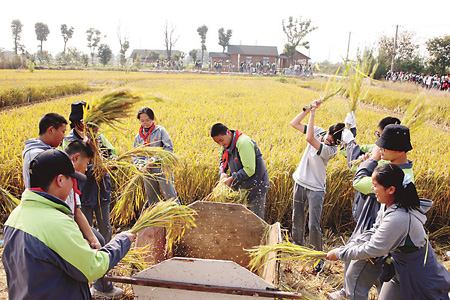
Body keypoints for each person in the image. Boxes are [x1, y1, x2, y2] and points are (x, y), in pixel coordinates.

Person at [2, 148, 136, 300]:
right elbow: (92, 267)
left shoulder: (15, 217)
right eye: (71, 179)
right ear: (59, 180)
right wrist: (121, 241)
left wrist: (80, 245)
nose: (74, 185)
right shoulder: (56, 222)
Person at [326, 163, 450, 299]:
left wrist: (339, 253)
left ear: (391, 189)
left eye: (375, 185)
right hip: (399, 267)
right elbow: (375, 230)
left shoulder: (398, 218)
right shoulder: (387, 205)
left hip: (417, 273)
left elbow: (374, 249)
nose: (372, 189)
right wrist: (351, 245)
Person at [330, 124, 414, 300]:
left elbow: (359, 181)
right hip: (379, 235)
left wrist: (373, 159)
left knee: (355, 277)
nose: (379, 148)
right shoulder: (394, 168)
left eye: (384, 146)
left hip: (384, 242)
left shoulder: (397, 178)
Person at [289, 99, 344, 273]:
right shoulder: (319, 131)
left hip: (316, 189)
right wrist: (308, 108)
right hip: (300, 181)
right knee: (297, 218)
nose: (329, 143)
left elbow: (309, 138)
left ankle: (317, 258)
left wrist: (313, 113)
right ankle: (297, 249)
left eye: (334, 142)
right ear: (327, 131)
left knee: (314, 225)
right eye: (329, 139)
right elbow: (294, 123)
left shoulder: (331, 151)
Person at [65, 140, 124, 298]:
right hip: (69, 219)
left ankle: (101, 284)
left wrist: (93, 240)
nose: (86, 167)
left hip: (99, 196)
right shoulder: (63, 177)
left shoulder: (100, 140)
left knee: (101, 238)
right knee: (83, 250)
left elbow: (76, 211)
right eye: (87, 163)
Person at [62, 100, 117, 243]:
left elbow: (113, 154)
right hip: (82, 189)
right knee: (85, 225)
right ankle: (89, 255)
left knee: (105, 225)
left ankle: (107, 254)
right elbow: (68, 164)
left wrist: (110, 164)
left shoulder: (99, 137)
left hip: (101, 187)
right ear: (75, 122)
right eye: (82, 121)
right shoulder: (69, 141)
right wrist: (95, 168)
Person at [210, 123, 270, 219]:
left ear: (228, 132)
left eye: (221, 140)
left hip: (255, 188)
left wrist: (232, 178)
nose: (220, 144)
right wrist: (222, 173)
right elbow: (223, 160)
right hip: (242, 188)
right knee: (242, 221)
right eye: (217, 142)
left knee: (254, 221)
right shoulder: (226, 144)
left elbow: (249, 170)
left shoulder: (243, 143)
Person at [133, 107, 178, 206]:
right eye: (142, 121)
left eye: (148, 120)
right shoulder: (139, 137)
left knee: (171, 198)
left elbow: (169, 148)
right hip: (147, 171)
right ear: (139, 121)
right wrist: (140, 166)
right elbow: (136, 155)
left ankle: (178, 218)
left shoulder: (160, 131)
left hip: (162, 169)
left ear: (152, 119)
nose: (145, 123)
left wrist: (155, 159)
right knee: (152, 201)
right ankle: (156, 220)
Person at [22, 113, 68, 188]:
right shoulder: (37, 155)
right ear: (51, 130)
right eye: (63, 131)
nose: (64, 137)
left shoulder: (48, 150)